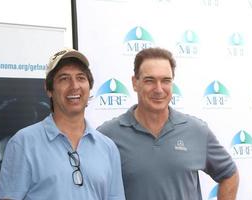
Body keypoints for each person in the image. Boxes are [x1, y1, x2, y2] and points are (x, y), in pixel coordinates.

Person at [97, 47, 239, 200]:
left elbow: (229, 175)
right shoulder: (108, 135)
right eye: (149, 81)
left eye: (166, 81)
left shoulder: (196, 131)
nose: (159, 89)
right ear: (135, 83)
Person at [0, 48, 125, 200]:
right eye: (64, 78)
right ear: (49, 89)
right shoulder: (23, 143)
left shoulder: (107, 147)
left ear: (89, 86)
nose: (74, 85)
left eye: (81, 78)